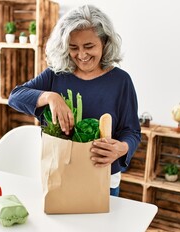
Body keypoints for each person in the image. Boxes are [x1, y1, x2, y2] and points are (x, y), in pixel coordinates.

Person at [8, 5, 141, 196]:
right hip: (59, 175)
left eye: (89, 46)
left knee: (100, 226)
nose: (82, 55)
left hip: (103, 179)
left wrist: (122, 148)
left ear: (104, 42)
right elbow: (15, 96)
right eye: (73, 48)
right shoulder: (56, 75)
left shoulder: (121, 81)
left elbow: (132, 131)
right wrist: (50, 97)